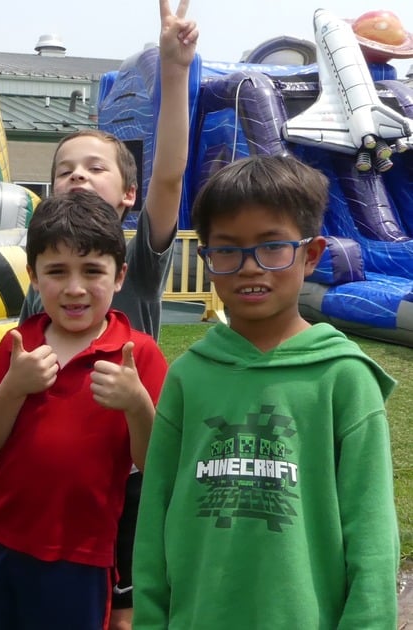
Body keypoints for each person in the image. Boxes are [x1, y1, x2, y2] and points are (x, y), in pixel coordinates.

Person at [132, 154, 399, 628]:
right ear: (206, 258)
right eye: (228, 249)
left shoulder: (344, 378)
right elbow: (154, 517)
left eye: (273, 246)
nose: (250, 268)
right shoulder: (189, 377)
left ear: (311, 254)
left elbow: (373, 537)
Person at [15, 2, 198, 625]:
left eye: (95, 168)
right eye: (64, 170)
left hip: (125, 467)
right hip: (52, 476)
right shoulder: (42, 268)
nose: (77, 176)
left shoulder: (135, 258)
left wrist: (175, 71)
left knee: (125, 603)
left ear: (126, 194)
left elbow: (169, 177)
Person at [0, 190, 170, 629]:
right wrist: (13, 389)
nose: (74, 288)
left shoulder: (140, 355)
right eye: (57, 271)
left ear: (119, 277)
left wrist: (137, 404)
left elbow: (155, 464)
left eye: (92, 270)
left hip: (83, 555)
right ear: (33, 277)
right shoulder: (19, 345)